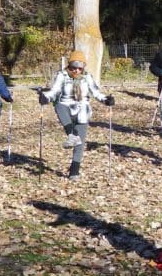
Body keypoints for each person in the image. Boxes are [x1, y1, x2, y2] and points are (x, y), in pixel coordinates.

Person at [39, 50, 113, 180]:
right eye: (74, 67)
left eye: (80, 68)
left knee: (80, 142)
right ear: (69, 66)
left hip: (82, 108)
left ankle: (74, 170)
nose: (76, 71)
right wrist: (45, 98)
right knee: (59, 106)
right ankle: (71, 135)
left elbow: (96, 92)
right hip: (65, 105)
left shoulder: (87, 77)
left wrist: (106, 99)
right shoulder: (61, 75)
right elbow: (55, 90)